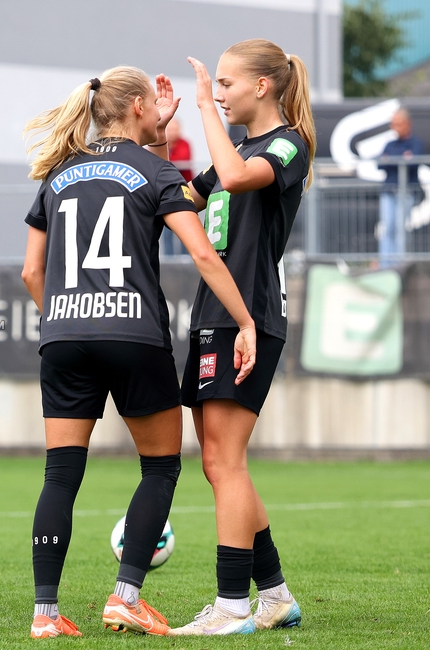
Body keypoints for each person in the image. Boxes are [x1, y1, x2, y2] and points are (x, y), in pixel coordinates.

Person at [20, 67, 257, 639]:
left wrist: (63, 315)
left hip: (65, 336)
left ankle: (46, 613)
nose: (161, 108)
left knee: (60, 475)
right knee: (161, 467)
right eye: (154, 102)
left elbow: (31, 270)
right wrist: (245, 320)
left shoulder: (59, 173)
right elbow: (201, 254)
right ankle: (125, 596)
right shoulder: (155, 169)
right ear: (134, 107)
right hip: (134, 335)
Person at [170, 39, 315, 635]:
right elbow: (183, 197)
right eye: (216, 86)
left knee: (225, 460)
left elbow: (230, 174)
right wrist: (146, 142)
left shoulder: (288, 143)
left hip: (248, 318)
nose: (219, 93)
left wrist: (202, 107)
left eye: (227, 84)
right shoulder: (242, 144)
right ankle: (274, 594)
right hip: (214, 312)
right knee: (217, 461)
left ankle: (232, 606)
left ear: (262, 86)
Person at [377, 108, 423, 265]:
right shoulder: (390, 144)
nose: (395, 127)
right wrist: (400, 159)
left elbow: (413, 163)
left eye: (398, 123)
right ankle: (385, 266)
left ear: (407, 124)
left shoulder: (415, 143)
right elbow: (381, 163)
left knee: (400, 230)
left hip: (406, 192)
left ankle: (399, 266)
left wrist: (392, 160)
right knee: (387, 229)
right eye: (393, 124)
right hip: (389, 192)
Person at [160, 118, 194, 256]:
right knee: (168, 231)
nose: (173, 132)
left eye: (175, 129)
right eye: (170, 129)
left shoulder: (184, 144)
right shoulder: (161, 145)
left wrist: (167, 160)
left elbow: (182, 159)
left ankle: (186, 261)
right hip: (166, 194)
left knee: (186, 231)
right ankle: (170, 261)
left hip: (185, 192)